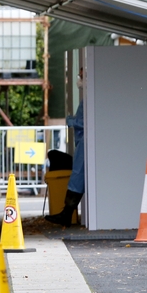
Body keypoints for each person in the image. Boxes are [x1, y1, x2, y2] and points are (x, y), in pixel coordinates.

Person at [46, 67, 85, 226]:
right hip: (83, 141)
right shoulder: (89, 97)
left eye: (81, 75)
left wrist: (71, 121)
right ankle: (66, 213)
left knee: (77, 175)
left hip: (84, 141)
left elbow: (82, 122)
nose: (79, 78)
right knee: (77, 175)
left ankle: (66, 213)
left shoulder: (90, 98)